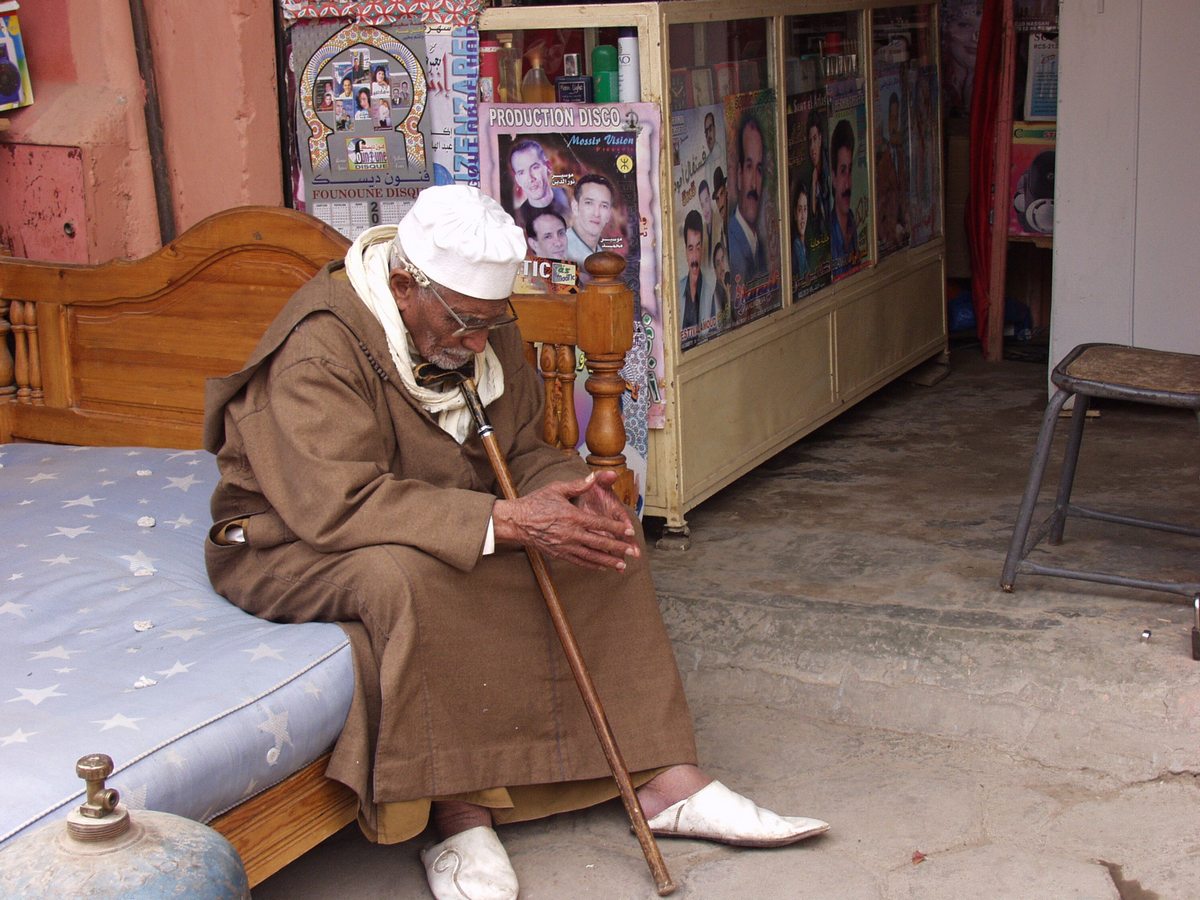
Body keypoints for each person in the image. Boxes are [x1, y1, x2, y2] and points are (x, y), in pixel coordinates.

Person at [203, 185, 828, 900]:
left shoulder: (478, 319)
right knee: (414, 576)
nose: (478, 343)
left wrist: (566, 493)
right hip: (293, 537)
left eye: (489, 325)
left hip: (433, 508)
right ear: (405, 288)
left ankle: (662, 779)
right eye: (464, 326)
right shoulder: (320, 348)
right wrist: (506, 522)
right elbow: (340, 503)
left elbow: (523, 446)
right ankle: (459, 810)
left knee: (602, 537)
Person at [727, 111, 768, 289]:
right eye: (749, 167)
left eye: (759, 169)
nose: (754, 183)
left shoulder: (757, 245)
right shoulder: (732, 241)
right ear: (739, 174)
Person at [508, 139, 569, 226]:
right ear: (517, 180)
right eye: (521, 172)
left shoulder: (571, 198)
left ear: (548, 167)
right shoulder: (516, 220)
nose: (530, 178)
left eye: (535, 167)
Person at [875, 92, 908, 249]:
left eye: (897, 119)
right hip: (888, 231)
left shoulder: (901, 153)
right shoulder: (883, 158)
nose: (895, 125)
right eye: (892, 118)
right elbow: (881, 202)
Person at [829, 117, 859, 274]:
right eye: (842, 171)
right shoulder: (829, 234)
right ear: (833, 177)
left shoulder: (852, 222)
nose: (847, 184)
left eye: (850, 170)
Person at [565, 173, 615, 266]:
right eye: (589, 203)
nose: (596, 213)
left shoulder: (604, 258)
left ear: (609, 214)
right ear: (575, 207)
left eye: (604, 206)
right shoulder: (558, 248)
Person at [678, 209, 714, 332]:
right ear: (685, 252)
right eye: (691, 248)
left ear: (703, 249)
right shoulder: (677, 291)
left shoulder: (710, 293)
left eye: (698, 248)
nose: (694, 257)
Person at [805, 108, 831, 239]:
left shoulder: (830, 167)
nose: (812, 148)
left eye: (815, 139)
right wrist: (814, 184)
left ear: (820, 139)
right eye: (810, 141)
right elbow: (813, 223)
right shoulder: (812, 177)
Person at [791, 179, 810, 280]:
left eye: (805, 209)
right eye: (799, 210)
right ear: (794, 214)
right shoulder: (795, 247)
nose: (803, 217)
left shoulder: (804, 247)